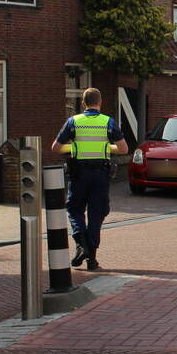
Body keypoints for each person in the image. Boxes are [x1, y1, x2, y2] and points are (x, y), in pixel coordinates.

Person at [51, 87, 127, 271]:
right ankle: (91, 259)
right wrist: (105, 148)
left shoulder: (73, 122)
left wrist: (76, 148)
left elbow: (56, 147)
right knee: (97, 213)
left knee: (74, 208)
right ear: (100, 103)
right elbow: (123, 149)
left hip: (79, 173)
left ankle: (81, 243)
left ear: (83, 103)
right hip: (100, 174)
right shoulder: (108, 122)